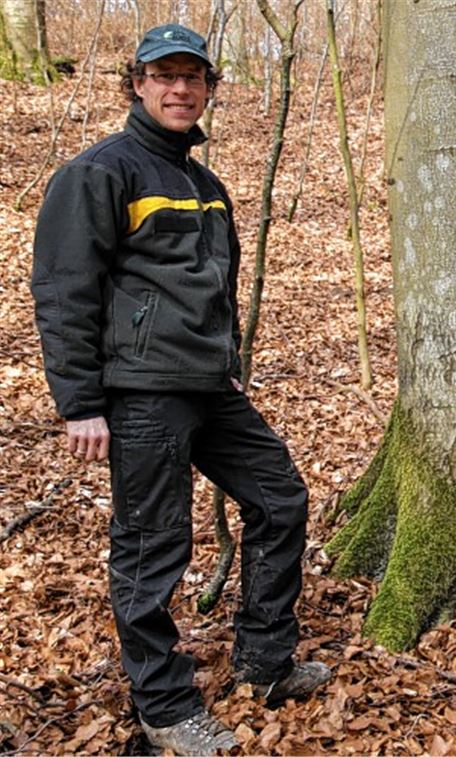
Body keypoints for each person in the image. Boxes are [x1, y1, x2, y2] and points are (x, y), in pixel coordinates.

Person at [30, 24, 330, 756]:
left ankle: (264, 662)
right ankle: (164, 707)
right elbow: (64, 291)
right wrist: (80, 402)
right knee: (152, 545)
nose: (180, 89)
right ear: (137, 84)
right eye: (164, 76)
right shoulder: (99, 172)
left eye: (192, 78)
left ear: (207, 89)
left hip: (209, 385)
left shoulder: (204, 184)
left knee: (280, 498)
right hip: (139, 392)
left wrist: (228, 357)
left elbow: (217, 285)